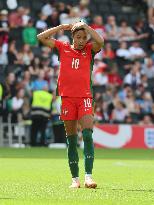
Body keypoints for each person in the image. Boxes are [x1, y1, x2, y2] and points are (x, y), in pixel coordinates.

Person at [37, 21, 104, 188]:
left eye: (84, 37)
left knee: (87, 135)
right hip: (67, 98)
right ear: (72, 36)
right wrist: (61, 27)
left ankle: (89, 176)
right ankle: (75, 180)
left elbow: (101, 41)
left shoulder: (89, 50)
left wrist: (87, 27)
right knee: (72, 140)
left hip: (85, 97)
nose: (81, 40)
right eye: (78, 37)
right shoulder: (62, 47)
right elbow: (40, 37)